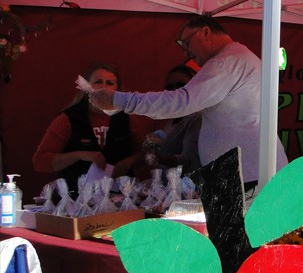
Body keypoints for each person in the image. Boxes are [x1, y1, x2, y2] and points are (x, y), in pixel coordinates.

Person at [90, 16, 287, 187]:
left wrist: (118, 99)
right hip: (249, 173)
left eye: (187, 43)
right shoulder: (240, 58)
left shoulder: (225, 62)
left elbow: (181, 101)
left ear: (206, 32)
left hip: (247, 176)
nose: (186, 53)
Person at [33, 62, 146, 196]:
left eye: (110, 83)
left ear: (118, 90)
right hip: (77, 198)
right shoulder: (69, 118)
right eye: (98, 82)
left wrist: (130, 160)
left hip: (120, 197)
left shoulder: (127, 118)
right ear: (86, 87)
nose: (104, 87)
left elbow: (144, 154)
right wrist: (81, 155)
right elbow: (40, 162)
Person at [143, 65, 202, 175]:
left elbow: (190, 161)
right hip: (170, 187)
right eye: (170, 88)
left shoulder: (196, 117)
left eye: (181, 86)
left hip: (186, 189)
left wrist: (160, 158)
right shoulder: (174, 117)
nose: (175, 91)